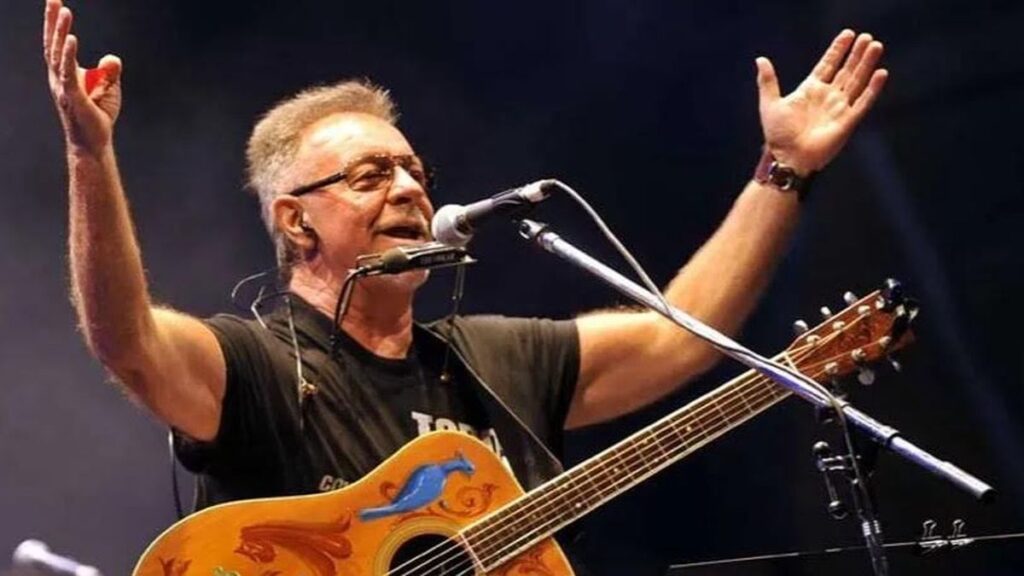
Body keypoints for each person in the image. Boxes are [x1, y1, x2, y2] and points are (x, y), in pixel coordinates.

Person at [43, 0, 887, 564]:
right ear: (296, 223)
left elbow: (682, 336)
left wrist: (783, 170)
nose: (410, 190)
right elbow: (128, 342)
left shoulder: (494, 362)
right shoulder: (254, 368)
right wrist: (90, 153)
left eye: (415, 171)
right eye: (370, 176)